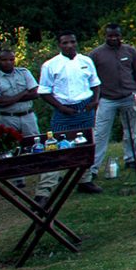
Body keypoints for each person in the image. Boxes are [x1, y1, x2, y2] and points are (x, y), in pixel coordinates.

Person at [0, 47, 62, 202]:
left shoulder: (24, 73)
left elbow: (35, 93)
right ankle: (17, 178)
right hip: (7, 117)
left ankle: (45, 175)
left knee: (35, 145)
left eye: (11, 59)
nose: (8, 62)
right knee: (9, 148)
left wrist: (11, 98)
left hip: (27, 115)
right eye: (4, 60)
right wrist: (22, 94)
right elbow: (0, 102)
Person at [37, 31, 102, 193]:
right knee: (56, 148)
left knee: (86, 145)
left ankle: (84, 180)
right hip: (63, 109)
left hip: (85, 107)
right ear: (59, 45)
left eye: (72, 42)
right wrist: (60, 107)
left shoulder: (86, 61)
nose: (70, 45)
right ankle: (45, 188)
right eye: (65, 43)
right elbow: (44, 91)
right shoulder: (50, 65)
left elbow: (95, 83)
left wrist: (95, 101)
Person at [89, 23, 136, 175]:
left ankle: (131, 159)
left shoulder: (130, 51)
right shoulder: (96, 54)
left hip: (129, 96)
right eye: (110, 36)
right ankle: (93, 168)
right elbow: (90, 77)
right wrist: (96, 96)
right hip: (107, 99)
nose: (113, 38)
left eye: (116, 35)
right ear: (105, 36)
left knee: (131, 131)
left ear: (121, 35)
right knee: (100, 133)